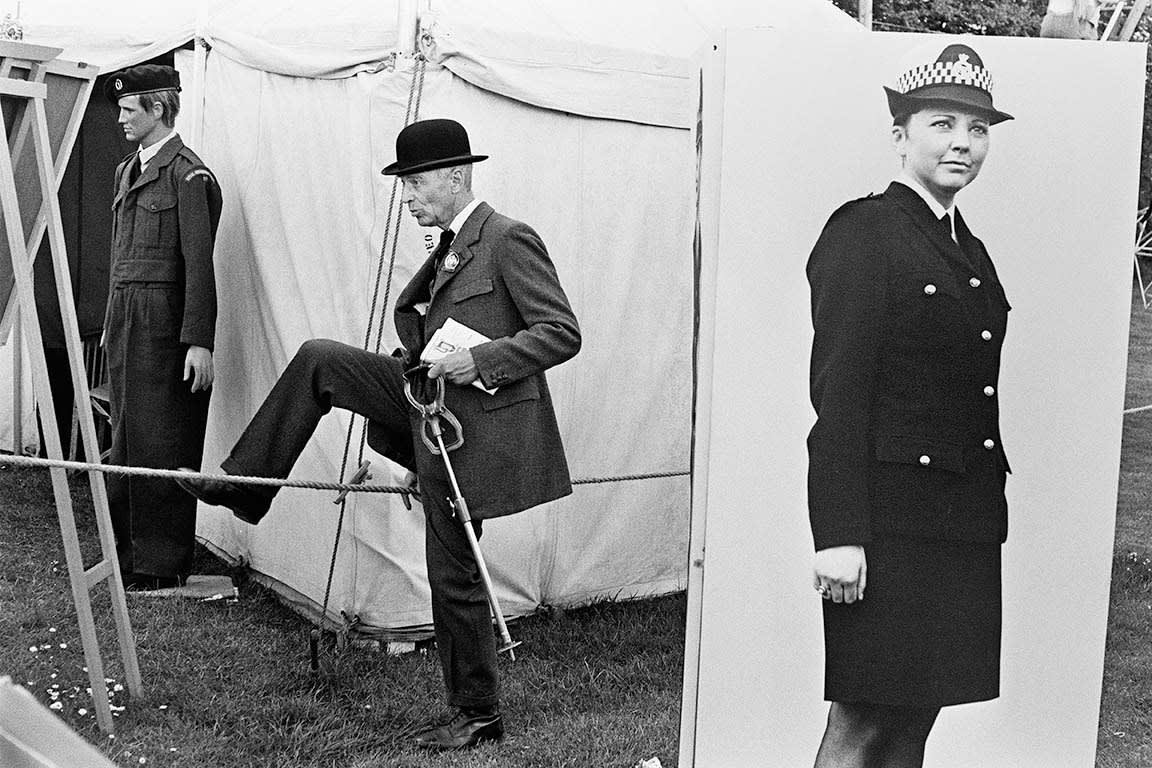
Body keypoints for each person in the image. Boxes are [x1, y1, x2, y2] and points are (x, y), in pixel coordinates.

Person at [175, 118, 581, 750]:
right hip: (425, 406)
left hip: (468, 434)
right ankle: (246, 485)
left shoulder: (507, 239)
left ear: (456, 176)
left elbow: (560, 332)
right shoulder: (448, 247)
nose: (407, 196)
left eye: (416, 182)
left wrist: (479, 360)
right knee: (321, 361)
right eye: (404, 185)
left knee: (453, 573)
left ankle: (477, 713)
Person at [805, 43, 1013, 767]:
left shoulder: (967, 247)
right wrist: (838, 532)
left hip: (959, 519)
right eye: (942, 124)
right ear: (900, 136)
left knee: (915, 718)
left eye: (977, 129)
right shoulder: (866, 231)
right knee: (863, 719)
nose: (963, 143)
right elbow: (839, 391)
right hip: (888, 522)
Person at [103, 64, 223, 591]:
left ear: (158, 108)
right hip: (126, 317)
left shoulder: (189, 175)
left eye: (130, 110)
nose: (121, 119)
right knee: (126, 436)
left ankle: (161, 562)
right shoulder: (126, 170)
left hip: (165, 325)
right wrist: (112, 319)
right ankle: (128, 554)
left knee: (164, 437)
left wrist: (199, 341)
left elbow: (199, 264)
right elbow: (119, 255)